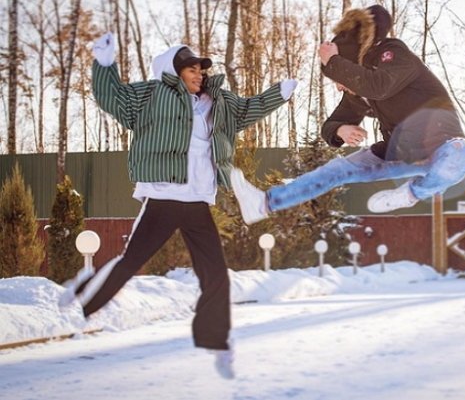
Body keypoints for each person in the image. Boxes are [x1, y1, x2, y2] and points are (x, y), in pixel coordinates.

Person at [59, 32, 297, 379]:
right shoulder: (153, 95)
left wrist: (279, 94)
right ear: (173, 71)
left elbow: (248, 110)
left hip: (198, 200)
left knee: (215, 274)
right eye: (191, 69)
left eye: (201, 70)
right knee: (132, 262)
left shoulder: (219, 103)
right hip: (164, 195)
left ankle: (216, 342)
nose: (199, 74)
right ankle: (83, 293)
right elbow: (113, 99)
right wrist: (104, 65)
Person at [231, 5, 465, 224]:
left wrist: (334, 61)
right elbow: (331, 124)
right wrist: (339, 129)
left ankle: (411, 193)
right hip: (398, 152)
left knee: (461, 154)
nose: (339, 86)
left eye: (339, 79)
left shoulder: (394, 55)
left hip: (442, 144)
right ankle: (264, 204)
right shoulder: (359, 94)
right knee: (337, 169)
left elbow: (378, 86)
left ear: (352, 65)